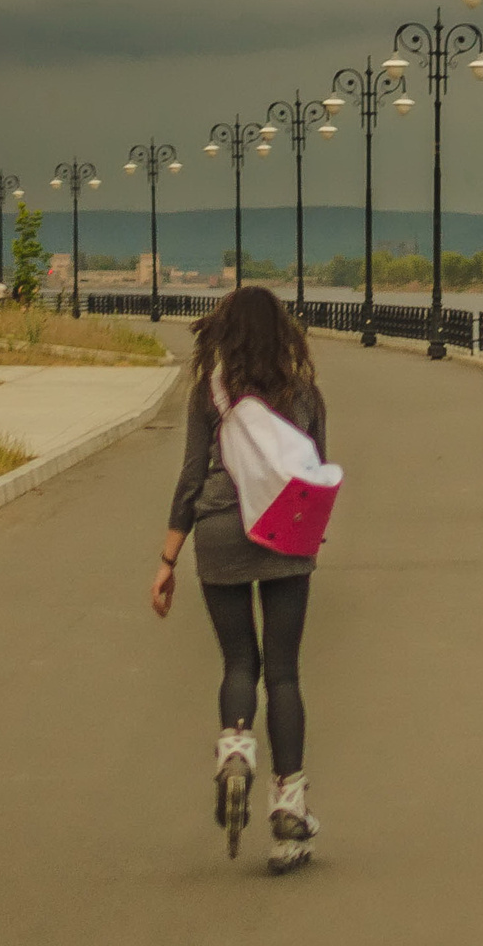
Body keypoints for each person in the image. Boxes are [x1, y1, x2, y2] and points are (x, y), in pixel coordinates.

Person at [152, 285, 328, 873]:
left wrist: (168, 560)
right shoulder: (304, 392)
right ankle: (289, 812)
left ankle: (236, 750)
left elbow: (190, 478)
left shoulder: (212, 392)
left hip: (220, 534)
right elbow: (316, 470)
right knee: (283, 673)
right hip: (285, 537)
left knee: (237, 664)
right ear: (284, 333)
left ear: (225, 333)